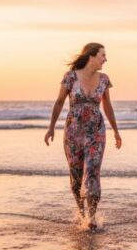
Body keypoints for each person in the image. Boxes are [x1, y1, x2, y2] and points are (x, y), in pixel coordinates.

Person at [45, 43, 122, 230]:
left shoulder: (104, 79)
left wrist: (116, 131)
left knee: (93, 170)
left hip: (96, 130)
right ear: (91, 56)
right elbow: (59, 103)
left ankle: (92, 218)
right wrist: (51, 127)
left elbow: (108, 106)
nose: (106, 59)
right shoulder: (70, 76)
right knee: (77, 175)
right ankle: (81, 214)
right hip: (73, 132)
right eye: (103, 55)